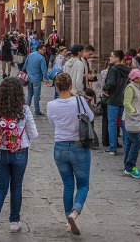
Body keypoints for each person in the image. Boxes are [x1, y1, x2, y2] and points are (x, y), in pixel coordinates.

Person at [0, 77, 37, 241]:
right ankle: (14, 221)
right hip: (19, 151)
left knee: (0, 187)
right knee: (16, 186)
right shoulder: (24, 109)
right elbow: (34, 134)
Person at [46, 72, 94, 236]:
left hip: (60, 148)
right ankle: (75, 213)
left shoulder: (51, 105)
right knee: (83, 185)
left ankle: (69, 220)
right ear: (70, 85)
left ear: (57, 87)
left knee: (68, 185)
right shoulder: (79, 101)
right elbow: (91, 117)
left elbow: (52, 123)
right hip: (79, 147)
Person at [121, 67, 140, 178]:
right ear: (135, 78)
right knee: (136, 143)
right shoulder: (130, 88)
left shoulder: (139, 87)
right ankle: (130, 167)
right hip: (131, 120)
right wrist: (135, 112)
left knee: (130, 143)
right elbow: (126, 103)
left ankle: (127, 167)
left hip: (134, 120)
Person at [102, 49, 129, 156]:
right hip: (124, 99)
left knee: (112, 123)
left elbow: (111, 83)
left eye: (112, 56)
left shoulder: (113, 69)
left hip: (113, 99)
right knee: (124, 124)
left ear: (117, 58)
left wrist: (105, 88)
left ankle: (113, 147)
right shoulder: (128, 69)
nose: (110, 58)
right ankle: (127, 147)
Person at [23, 43, 48, 116]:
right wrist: (46, 78)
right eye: (43, 49)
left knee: (30, 93)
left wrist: (24, 72)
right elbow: (44, 70)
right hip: (36, 78)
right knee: (36, 95)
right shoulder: (41, 58)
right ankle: (37, 111)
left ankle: (26, 109)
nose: (44, 51)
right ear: (39, 49)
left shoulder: (30, 54)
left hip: (29, 77)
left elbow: (25, 64)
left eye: (45, 49)